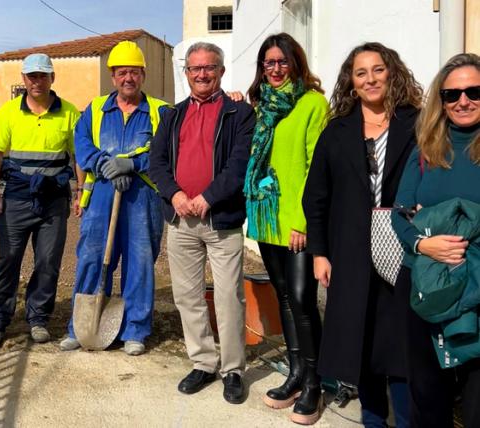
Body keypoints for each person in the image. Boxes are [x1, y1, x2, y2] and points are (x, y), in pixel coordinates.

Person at [303, 43, 422, 427]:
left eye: (377, 70)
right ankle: (372, 419)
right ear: (351, 83)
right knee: (362, 339)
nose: (370, 79)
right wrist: (320, 253)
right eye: (360, 73)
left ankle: (405, 419)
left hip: (404, 248)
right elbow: (316, 197)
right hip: (350, 250)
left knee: (402, 342)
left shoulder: (417, 124)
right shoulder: (336, 131)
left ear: (392, 73)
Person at [150, 42, 255, 404]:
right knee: (187, 296)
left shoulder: (239, 113)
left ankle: (233, 369)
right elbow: (157, 163)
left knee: (228, 296)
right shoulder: (172, 115)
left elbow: (238, 164)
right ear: (186, 73)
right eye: (195, 68)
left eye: (209, 67)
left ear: (221, 72)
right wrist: (176, 196)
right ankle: (203, 362)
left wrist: (207, 197)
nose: (202, 74)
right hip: (180, 221)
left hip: (220, 218)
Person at [59, 41, 169, 356]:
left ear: (143, 75)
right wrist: (105, 165)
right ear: (113, 76)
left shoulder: (160, 111)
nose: (128, 79)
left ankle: (135, 329)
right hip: (102, 195)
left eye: (134, 73)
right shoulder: (95, 109)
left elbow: (165, 152)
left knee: (140, 261)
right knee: (92, 259)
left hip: (142, 195)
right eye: (122, 73)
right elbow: (81, 144)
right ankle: (81, 328)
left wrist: (132, 164)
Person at [242, 33, 328, 425]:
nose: (275, 69)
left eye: (281, 62)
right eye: (268, 63)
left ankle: (315, 382)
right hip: (266, 217)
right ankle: (295, 373)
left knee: (302, 300)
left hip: (295, 222)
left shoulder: (312, 104)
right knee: (283, 297)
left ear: (295, 63)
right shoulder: (259, 106)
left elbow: (316, 168)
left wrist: (304, 221)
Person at [392, 53, 480, 427]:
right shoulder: (426, 150)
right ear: (441, 101)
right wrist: (421, 245)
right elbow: (400, 213)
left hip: (477, 286)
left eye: (474, 91)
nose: (463, 101)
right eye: (452, 94)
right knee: (428, 397)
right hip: (426, 285)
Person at [0, 53, 81, 349]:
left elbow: (79, 157)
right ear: (23, 80)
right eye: (32, 76)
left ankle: (38, 318)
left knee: (48, 261)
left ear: (53, 78)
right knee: (8, 259)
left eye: (43, 75)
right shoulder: (9, 112)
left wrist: (80, 191)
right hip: (17, 199)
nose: (37, 81)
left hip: (53, 201)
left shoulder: (70, 113)